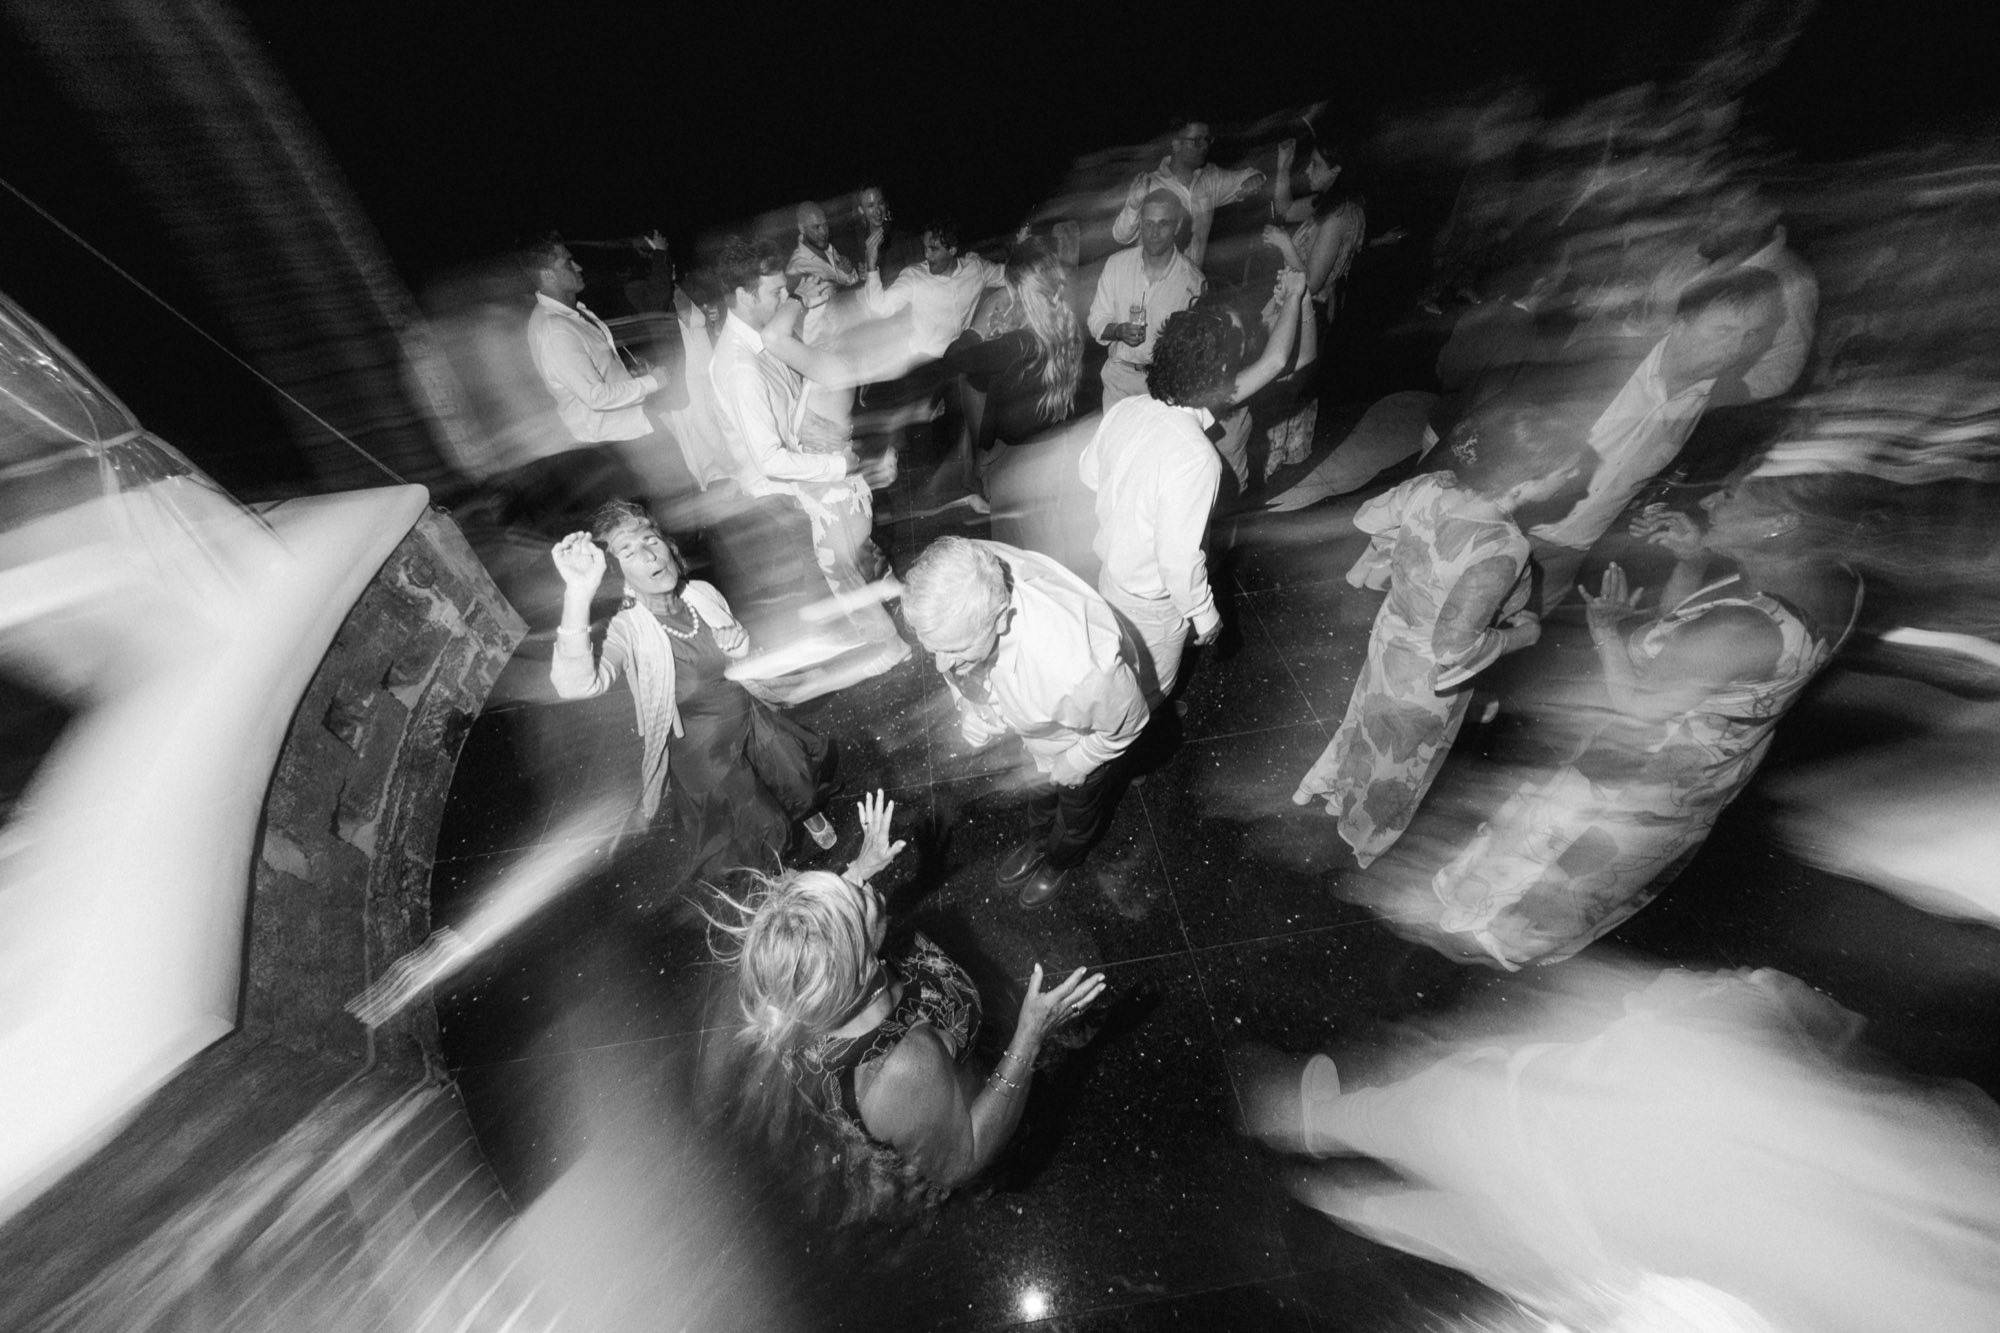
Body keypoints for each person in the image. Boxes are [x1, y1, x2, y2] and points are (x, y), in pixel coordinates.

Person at [1244, 959, 2000, 1333]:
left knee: (1448, 1113)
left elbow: (1751, 1036)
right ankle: (1353, 1199)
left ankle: (1320, 1126)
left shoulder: (1950, 1160)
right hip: (1620, 1235)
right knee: (1482, 1223)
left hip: (1602, 1129)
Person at [1429, 460, 1864, 969]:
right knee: (1590, 878)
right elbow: (1687, 633)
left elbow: (1637, 704)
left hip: (1627, 778)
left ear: (1779, 524)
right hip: (1698, 777)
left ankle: (1471, 938)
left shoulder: (1739, 629)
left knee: (1546, 865)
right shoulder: (1837, 582)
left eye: (1728, 495)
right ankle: (1515, 942)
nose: (1707, 503)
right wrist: (1693, 561)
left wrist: (1607, 633)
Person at [1267, 269, 1786, 617]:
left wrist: (1659, 513)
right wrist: (1433, 496)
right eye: (1726, 331)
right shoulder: (1598, 358)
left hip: (1572, 550)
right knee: (1430, 620)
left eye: (1754, 337)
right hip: (1509, 521)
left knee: (1509, 641)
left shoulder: (1721, 405)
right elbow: (1498, 420)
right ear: (1682, 320)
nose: (1738, 350)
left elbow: (1662, 478)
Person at [703, 791, 1107, 1224]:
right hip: (941, 1115)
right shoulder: (903, 1066)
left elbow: (815, 939)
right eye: (856, 900)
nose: (863, 887)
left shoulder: (796, 983)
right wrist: (1030, 1036)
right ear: (856, 971)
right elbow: (964, 1157)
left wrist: (858, 870)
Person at [1291, 407, 1594, 866]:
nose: (1577, 479)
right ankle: (1358, 834)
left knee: (1366, 722)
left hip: (1390, 635)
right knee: (1400, 762)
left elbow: (1370, 516)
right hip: (1426, 678)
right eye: (1568, 469)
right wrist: (1523, 636)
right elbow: (1455, 647)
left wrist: (1397, 561)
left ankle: (1331, 789)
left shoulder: (1433, 484)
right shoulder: (1504, 544)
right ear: (1528, 478)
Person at [548, 501, 839, 883]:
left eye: (650, 540)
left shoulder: (701, 592)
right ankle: (779, 876)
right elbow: (575, 684)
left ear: (668, 545)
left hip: (749, 717)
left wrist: (741, 648)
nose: (649, 553)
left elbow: (742, 657)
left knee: (793, 776)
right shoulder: (626, 630)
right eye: (628, 551)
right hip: (705, 748)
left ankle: (803, 810)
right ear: (617, 575)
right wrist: (578, 593)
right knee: (753, 823)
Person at [900, 537, 1150, 906]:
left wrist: (1079, 761)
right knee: (1041, 795)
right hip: (1037, 735)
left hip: (1076, 742)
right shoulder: (962, 574)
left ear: (1002, 619)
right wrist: (967, 703)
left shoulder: (1079, 671)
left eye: (953, 651)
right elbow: (956, 654)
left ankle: (1060, 861)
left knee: (1077, 815)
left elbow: (1130, 718)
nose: (940, 665)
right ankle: (1038, 842)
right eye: (933, 648)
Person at [707, 235, 897, 695]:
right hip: (783, 491)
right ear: (743, 295)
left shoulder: (777, 340)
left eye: (783, 293)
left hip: (815, 477)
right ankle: (873, 639)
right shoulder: (739, 365)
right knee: (835, 579)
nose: (782, 300)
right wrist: (839, 466)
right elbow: (769, 459)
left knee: (848, 567)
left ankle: (884, 633)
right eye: (774, 292)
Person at [1078, 305, 1240, 702]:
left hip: (1110, 578)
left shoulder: (1127, 409)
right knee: (1152, 693)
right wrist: (1206, 616)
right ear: (1218, 375)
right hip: (1153, 603)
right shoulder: (1198, 457)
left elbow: (1089, 473)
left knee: (1118, 666)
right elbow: (1177, 560)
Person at [514, 234, 678, 530]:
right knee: (652, 523)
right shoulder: (555, 329)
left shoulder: (576, 313)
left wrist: (632, 373)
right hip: (612, 444)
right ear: (548, 274)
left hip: (629, 429)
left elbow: (599, 370)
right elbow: (595, 396)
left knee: (667, 509)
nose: (578, 266)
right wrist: (653, 382)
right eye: (567, 261)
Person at [1088, 190, 1206, 410]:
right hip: (1119, 379)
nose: (1154, 233)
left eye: (1163, 224)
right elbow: (1096, 321)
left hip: (1164, 383)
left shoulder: (1193, 283)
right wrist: (1118, 331)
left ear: (1178, 226)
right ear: (1140, 223)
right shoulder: (1116, 265)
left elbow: (1193, 351)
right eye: (1148, 224)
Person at [1110, 114, 1265, 271]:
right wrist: (1134, 205)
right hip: (1151, 284)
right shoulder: (1150, 184)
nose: (1205, 146)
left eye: (1208, 139)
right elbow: (1121, 236)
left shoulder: (1211, 179)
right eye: (1197, 141)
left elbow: (1248, 176)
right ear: (1176, 144)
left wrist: (1255, 178)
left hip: (1190, 285)